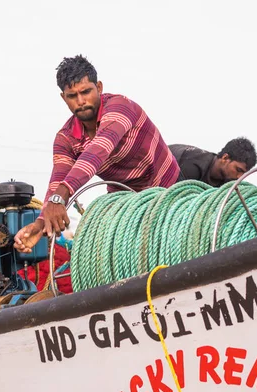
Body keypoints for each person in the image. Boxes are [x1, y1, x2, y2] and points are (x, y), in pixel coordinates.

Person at [14, 55, 180, 253]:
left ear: (99, 87)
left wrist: (59, 199)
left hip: (170, 191)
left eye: (86, 92)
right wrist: (41, 223)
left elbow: (98, 150)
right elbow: (58, 180)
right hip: (127, 205)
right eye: (72, 96)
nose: (81, 101)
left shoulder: (121, 107)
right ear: (63, 98)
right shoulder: (66, 138)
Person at [169, 137, 257, 187]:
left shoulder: (227, 182)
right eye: (238, 170)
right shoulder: (192, 165)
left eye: (244, 173)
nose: (240, 177)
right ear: (225, 158)